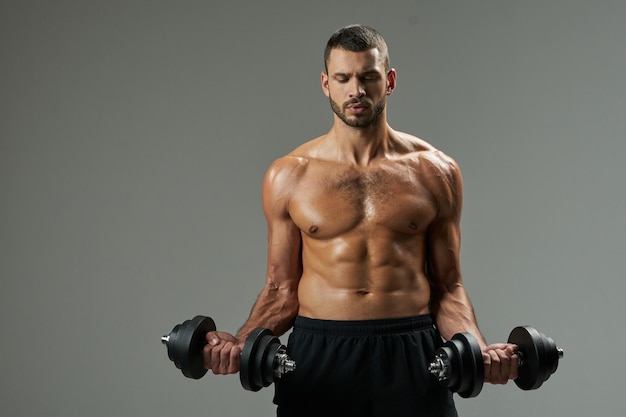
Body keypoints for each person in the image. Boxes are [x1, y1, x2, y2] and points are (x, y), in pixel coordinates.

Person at [203, 24, 519, 416]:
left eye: (368, 77)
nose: (356, 90)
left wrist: (478, 350)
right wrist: (241, 342)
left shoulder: (435, 171)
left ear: (389, 81)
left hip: (412, 352)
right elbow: (280, 288)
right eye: (343, 78)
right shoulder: (289, 175)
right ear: (325, 84)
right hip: (319, 354)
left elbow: (448, 286)